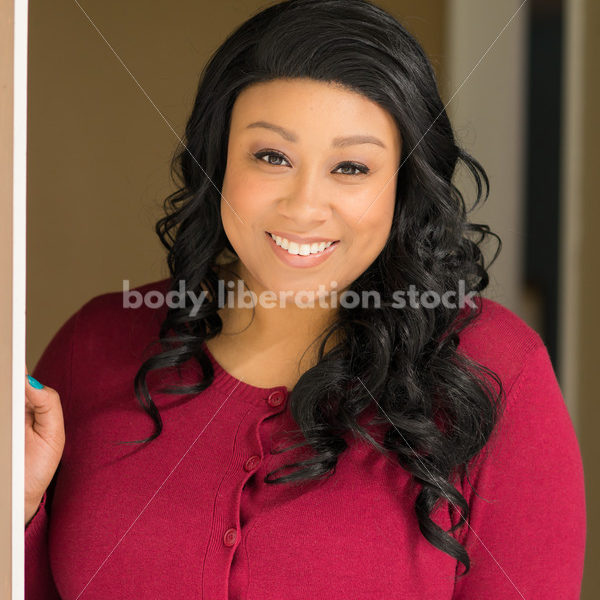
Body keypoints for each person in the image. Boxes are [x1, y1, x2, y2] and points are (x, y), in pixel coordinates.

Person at [24, 0, 586, 598]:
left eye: (351, 167)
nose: (304, 206)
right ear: (218, 159)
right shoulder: (95, 344)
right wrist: (21, 511)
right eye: (272, 157)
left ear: (403, 184)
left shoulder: (494, 368)